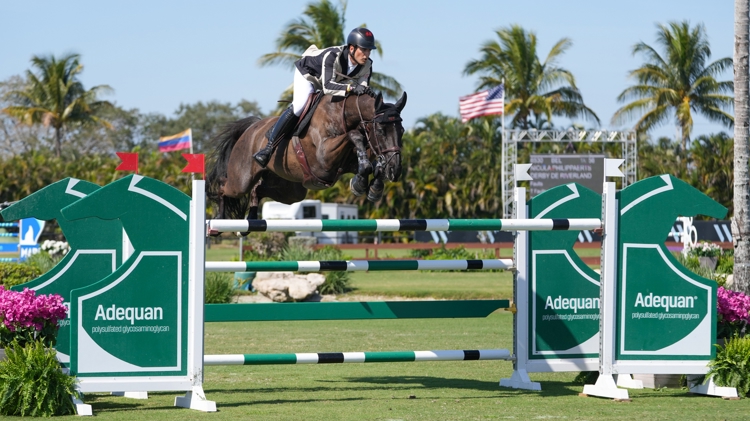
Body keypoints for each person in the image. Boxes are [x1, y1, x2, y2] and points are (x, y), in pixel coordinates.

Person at [253, 27, 377, 168]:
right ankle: (268, 148)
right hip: (308, 75)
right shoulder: (332, 56)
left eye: (369, 51)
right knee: (300, 105)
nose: (367, 55)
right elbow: (328, 86)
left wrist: (368, 94)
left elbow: (362, 91)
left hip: (329, 81)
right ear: (352, 48)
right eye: (364, 50)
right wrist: (351, 88)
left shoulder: (367, 65)